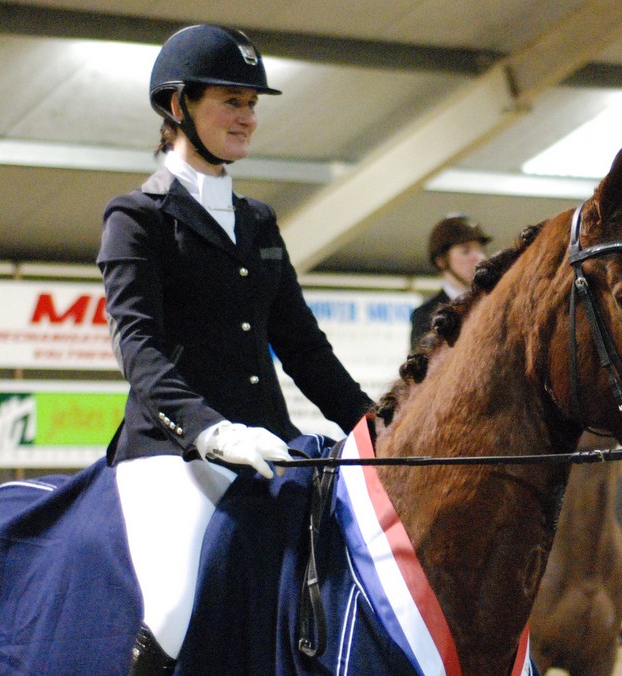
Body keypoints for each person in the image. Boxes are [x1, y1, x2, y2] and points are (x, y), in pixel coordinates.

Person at [96, 24, 373, 669]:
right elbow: (138, 350)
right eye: (230, 100)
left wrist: (371, 426)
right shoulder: (136, 217)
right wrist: (212, 432)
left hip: (269, 445)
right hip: (172, 453)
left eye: (252, 103)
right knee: (170, 606)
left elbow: (303, 347)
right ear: (177, 107)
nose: (247, 117)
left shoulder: (257, 222)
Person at [409, 214, 491, 350]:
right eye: (465, 251)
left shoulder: (492, 302)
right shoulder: (425, 315)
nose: (479, 257)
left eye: (480, 250)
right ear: (441, 261)